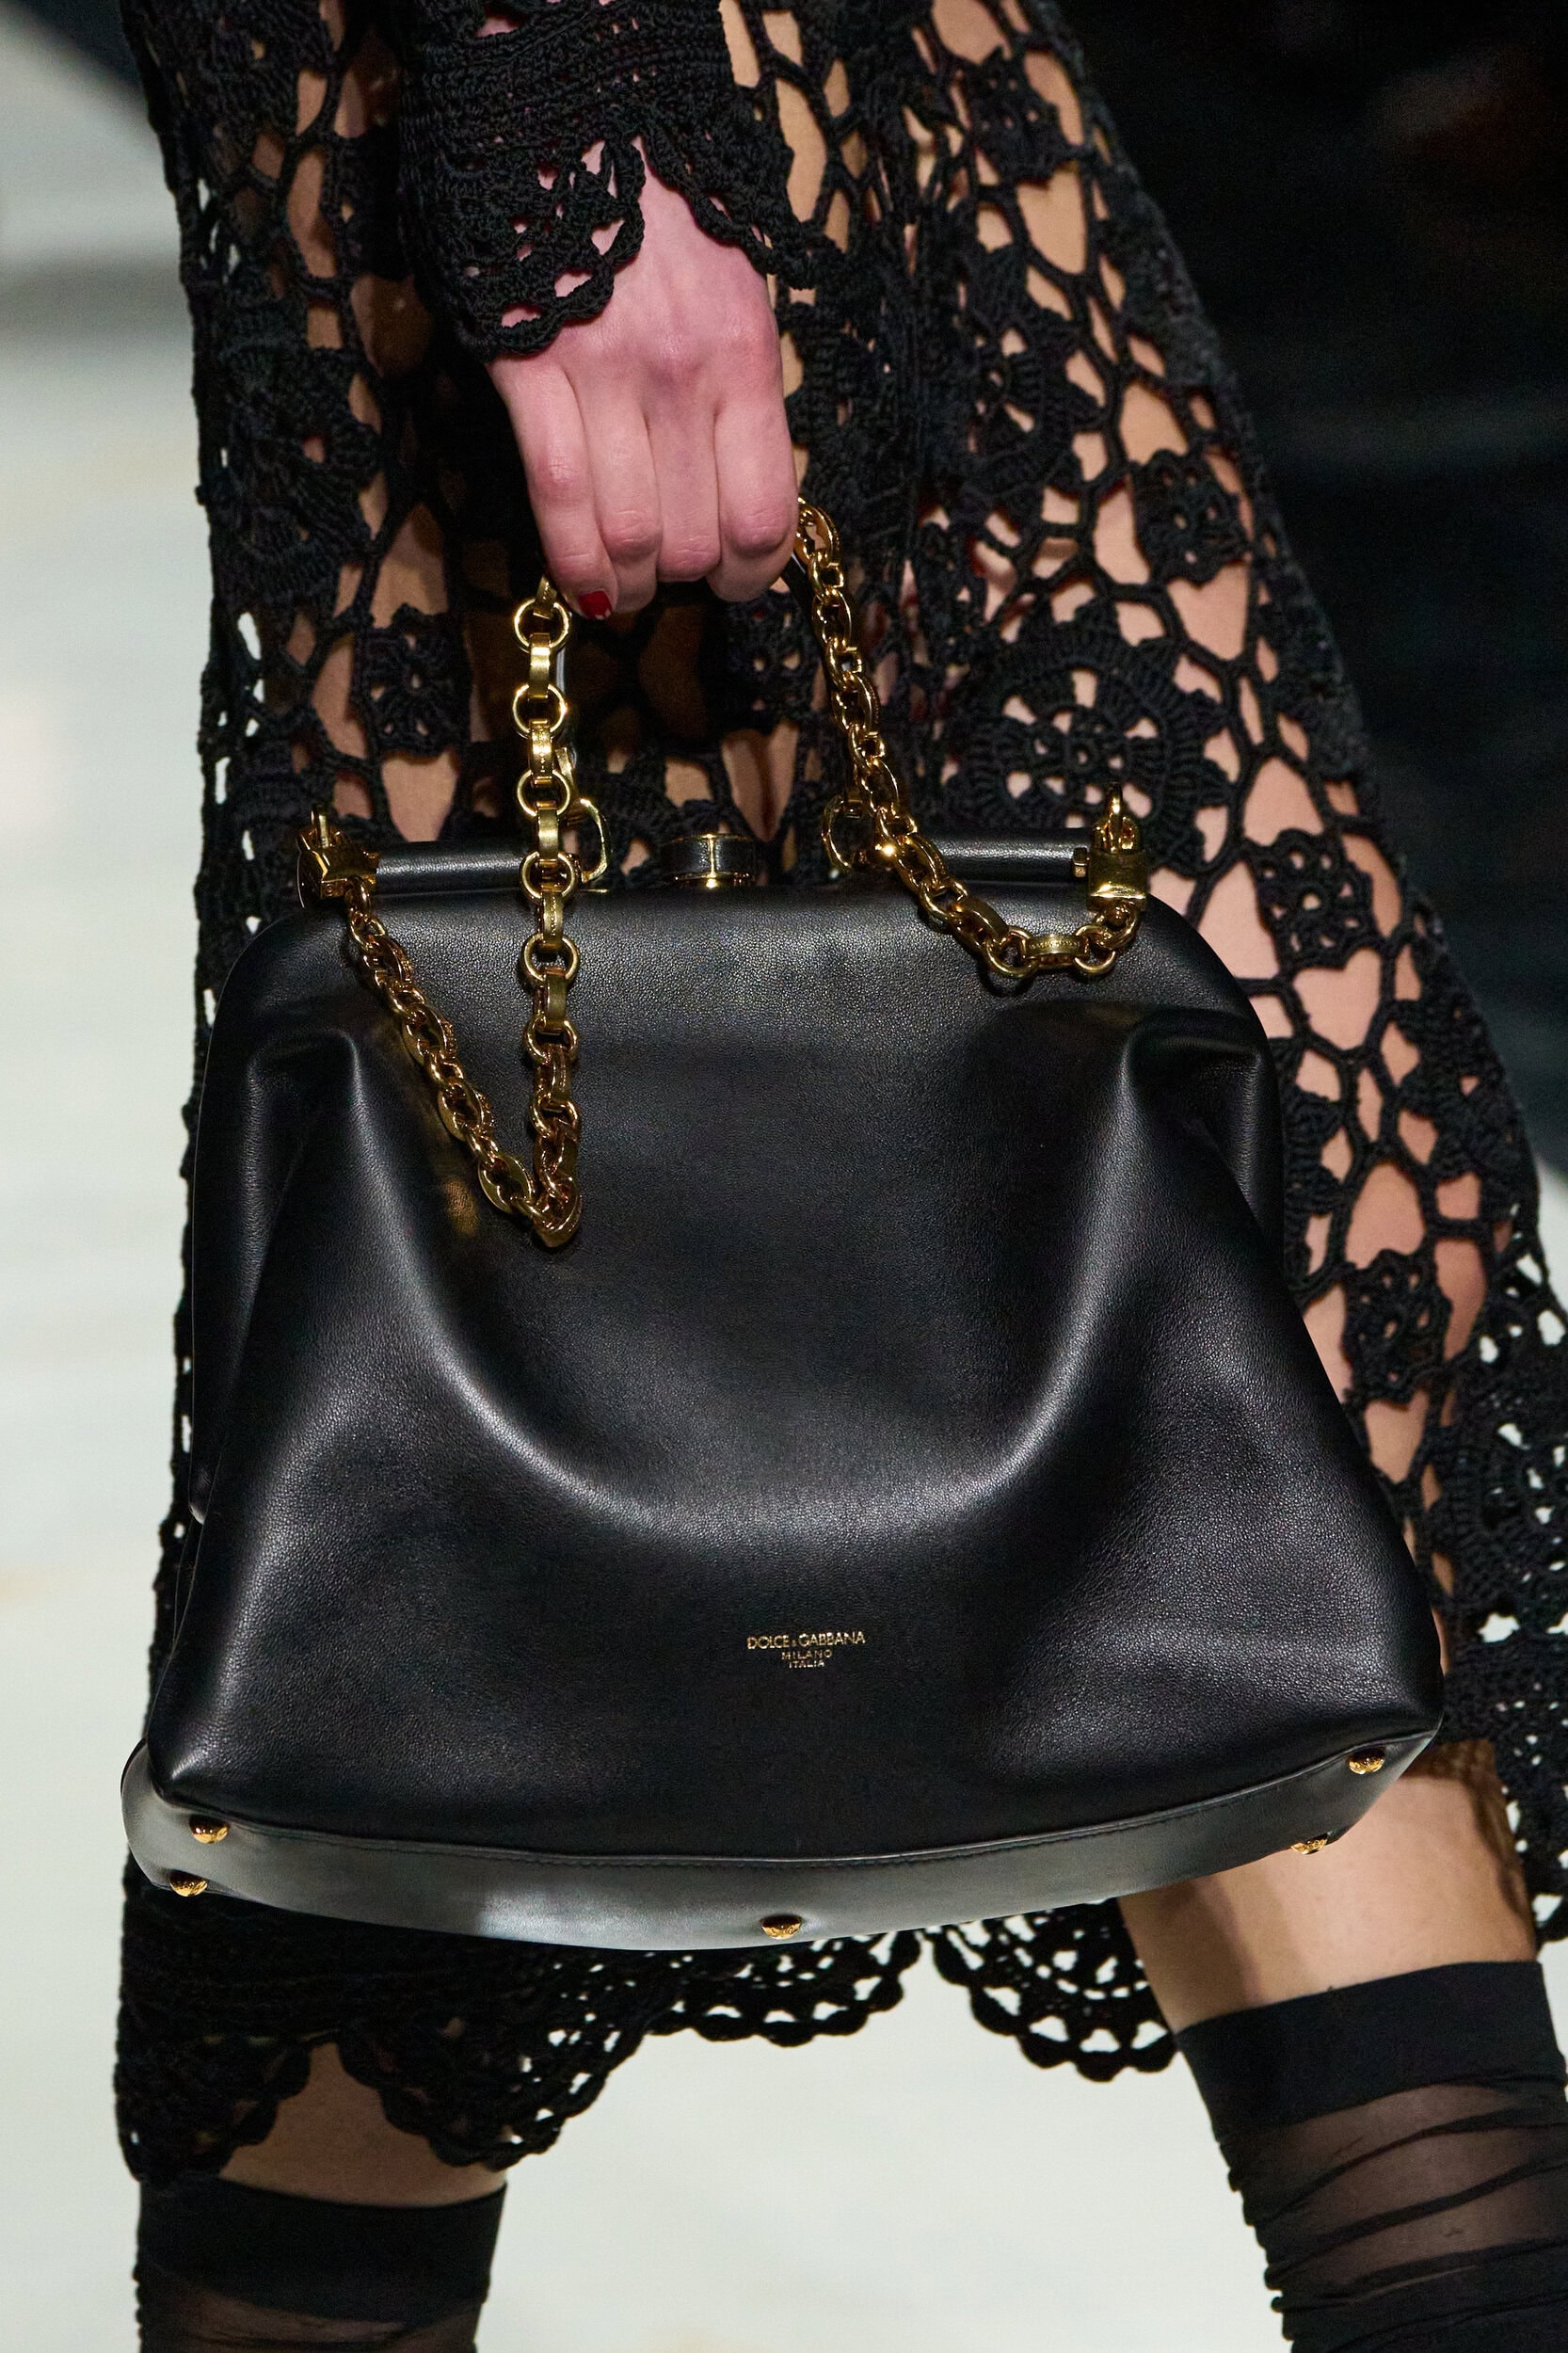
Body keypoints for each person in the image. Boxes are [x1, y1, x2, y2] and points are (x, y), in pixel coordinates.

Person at [118, 3, 1568, 2346]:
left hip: (885, 78)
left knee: (1300, 1305)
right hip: (591, 82)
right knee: (458, 1406)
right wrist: (561, 120)